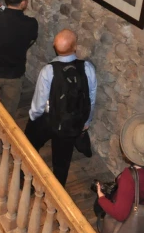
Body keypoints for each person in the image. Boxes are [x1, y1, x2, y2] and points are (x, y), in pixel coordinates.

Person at [24, 29, 97, 187]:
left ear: (54, 47)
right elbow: (91, 98)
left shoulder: (48, 71)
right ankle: (56, 194)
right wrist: (86, 121)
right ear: (75, 47)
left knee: (28, 148)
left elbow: (39, 103)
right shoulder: (87, 68)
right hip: (71, 123)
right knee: (62, 163)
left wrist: (33, 119)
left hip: (49, 119)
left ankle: (25, 181)